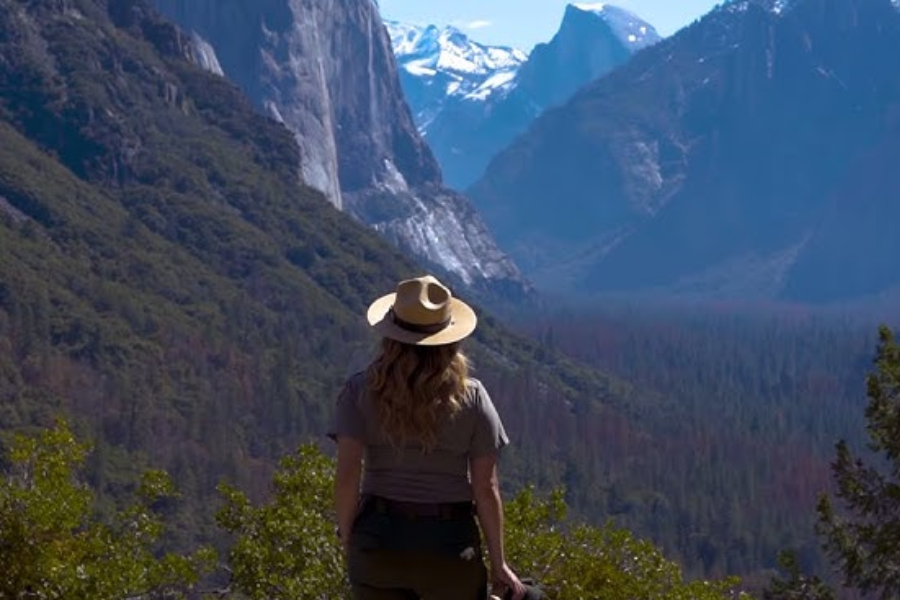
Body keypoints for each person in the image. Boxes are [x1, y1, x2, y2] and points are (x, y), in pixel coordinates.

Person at [332, 275, 529, 600]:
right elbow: (486, 488)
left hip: (378, 539)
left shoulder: (359, 390)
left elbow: (348, 473)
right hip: (449, 545)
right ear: (449, 338)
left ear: (390, 336)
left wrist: (350, 537)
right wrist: (498, 562)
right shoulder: (473, 397)